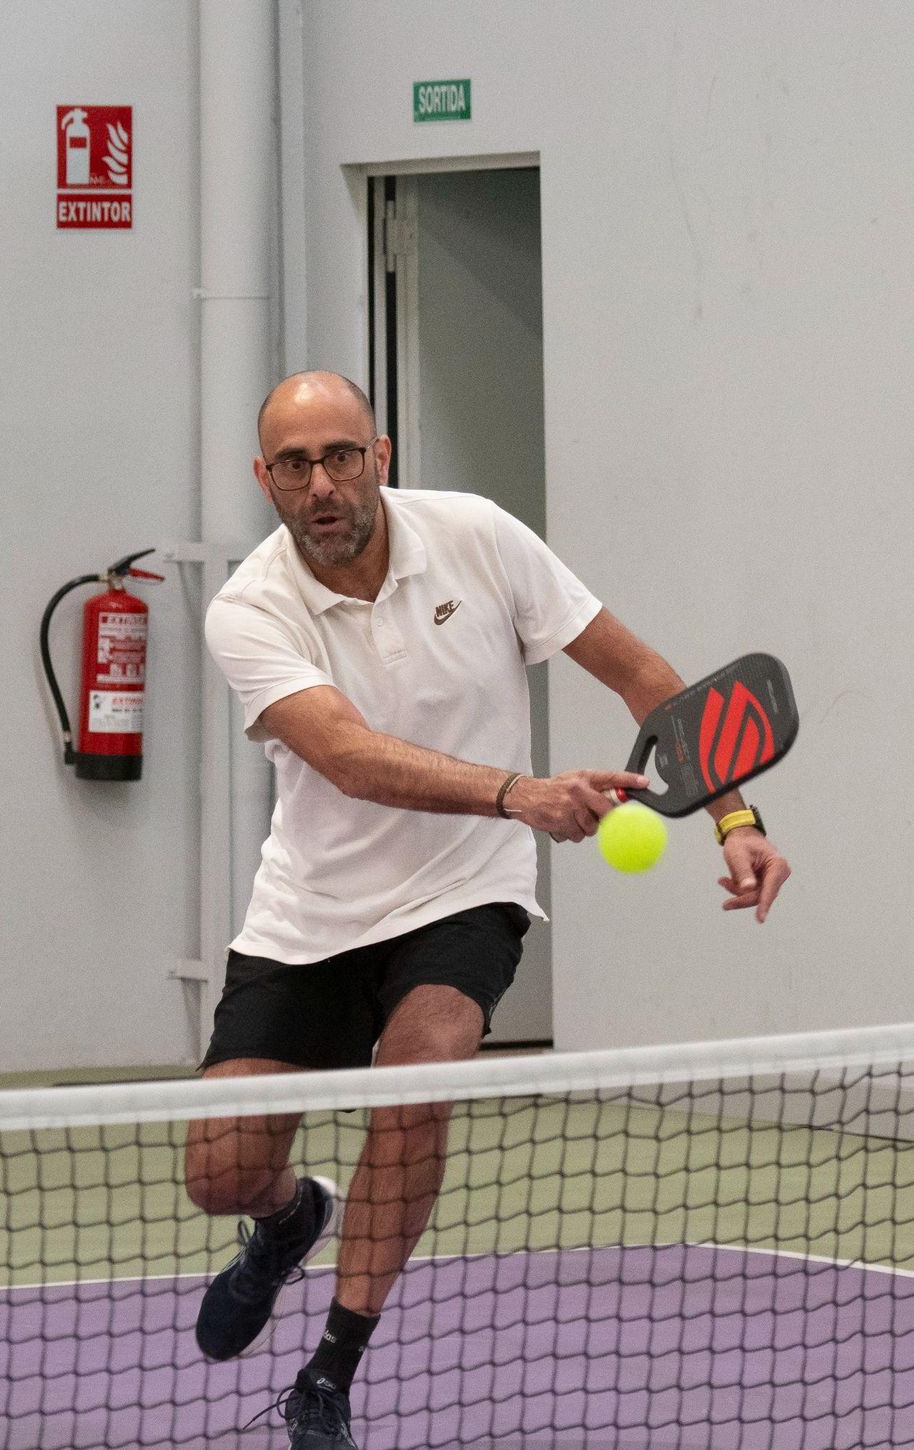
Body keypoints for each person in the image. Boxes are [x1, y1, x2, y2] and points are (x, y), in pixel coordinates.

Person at [184, 371, 790, 1450]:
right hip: (309, 909)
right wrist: (524, 791)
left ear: (379, 452)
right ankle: (287, 1218)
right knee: (216, 1171)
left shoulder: (478, 537)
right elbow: (347, 756)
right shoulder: (249, 606)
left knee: (419, 1083)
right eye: (293, 464)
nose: (320, 483)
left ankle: (329, 1369)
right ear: (264, 479)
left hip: (465, 889)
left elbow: (643, 674)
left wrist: (732, 817)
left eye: (338, 455)